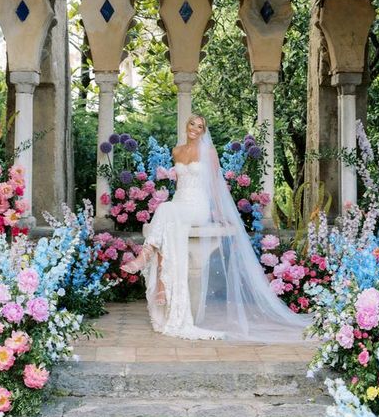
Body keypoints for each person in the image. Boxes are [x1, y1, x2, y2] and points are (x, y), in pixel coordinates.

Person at [122, 114, 310, 342]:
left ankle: (144, 259)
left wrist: (220, 214)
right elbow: (179, 184)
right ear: (186, 125)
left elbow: (215, 184)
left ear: (203, 131)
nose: (195, 128)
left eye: (200, 126)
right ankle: (161, 284)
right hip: (179, 204)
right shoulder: (176, 151)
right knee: (167, 216)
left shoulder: (209, 153)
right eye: (192, 124)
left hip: (198, 207)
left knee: (164, 211)